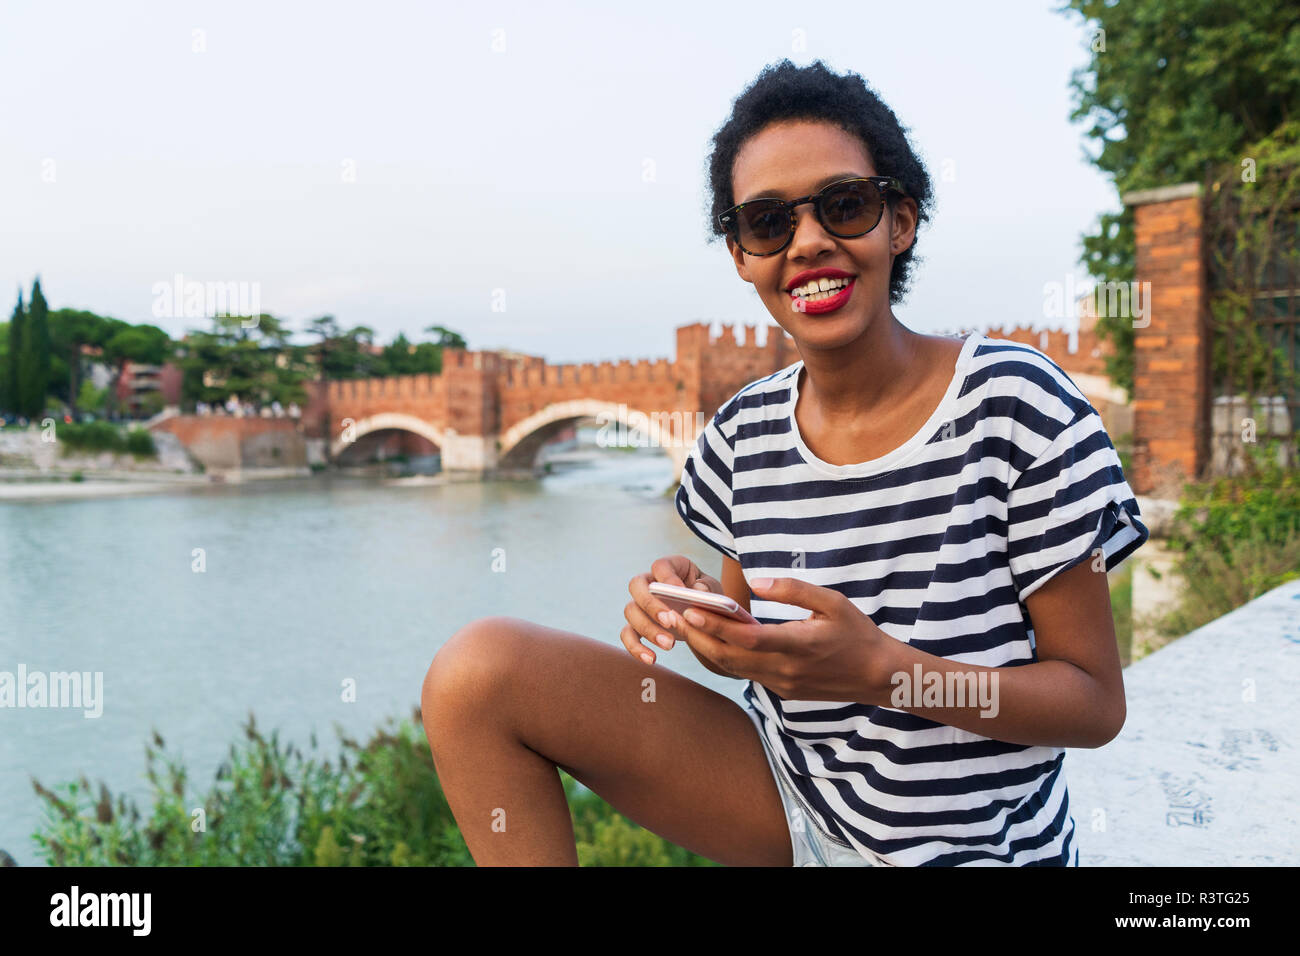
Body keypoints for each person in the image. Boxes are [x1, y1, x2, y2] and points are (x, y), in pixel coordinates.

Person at [420, 59, 1149, 867]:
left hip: (975, 847)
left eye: (844, 205)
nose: (808, 243)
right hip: (791, 805)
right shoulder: (741, 435)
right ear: (740, 254)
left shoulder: (1018, 403)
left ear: (899, 220)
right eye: (768, 223)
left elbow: (1092, 705)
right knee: (477, 674)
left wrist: (885, 674)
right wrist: (695, 614)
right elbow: (759, 647)